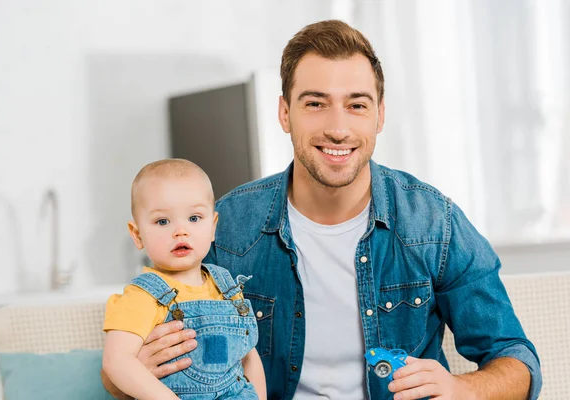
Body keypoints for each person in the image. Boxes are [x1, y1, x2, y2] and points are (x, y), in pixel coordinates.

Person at [103, 20, 541, 400]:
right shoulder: (228, 225)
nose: (337, 127)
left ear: (379, 115)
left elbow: (517, 361)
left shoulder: (434, 222)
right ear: (284, 113)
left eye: (356, 104)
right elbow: (117, 372)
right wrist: (133, 371)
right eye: (315, 103)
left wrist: (462, 390)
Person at [102, 159, 266, 400]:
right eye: (162, 221)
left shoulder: (227, 287)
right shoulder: (142, 296)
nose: (180, 230)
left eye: (194, 218)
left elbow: (248, 355)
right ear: (137, 235)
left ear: (213, 227)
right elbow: (117, 361)